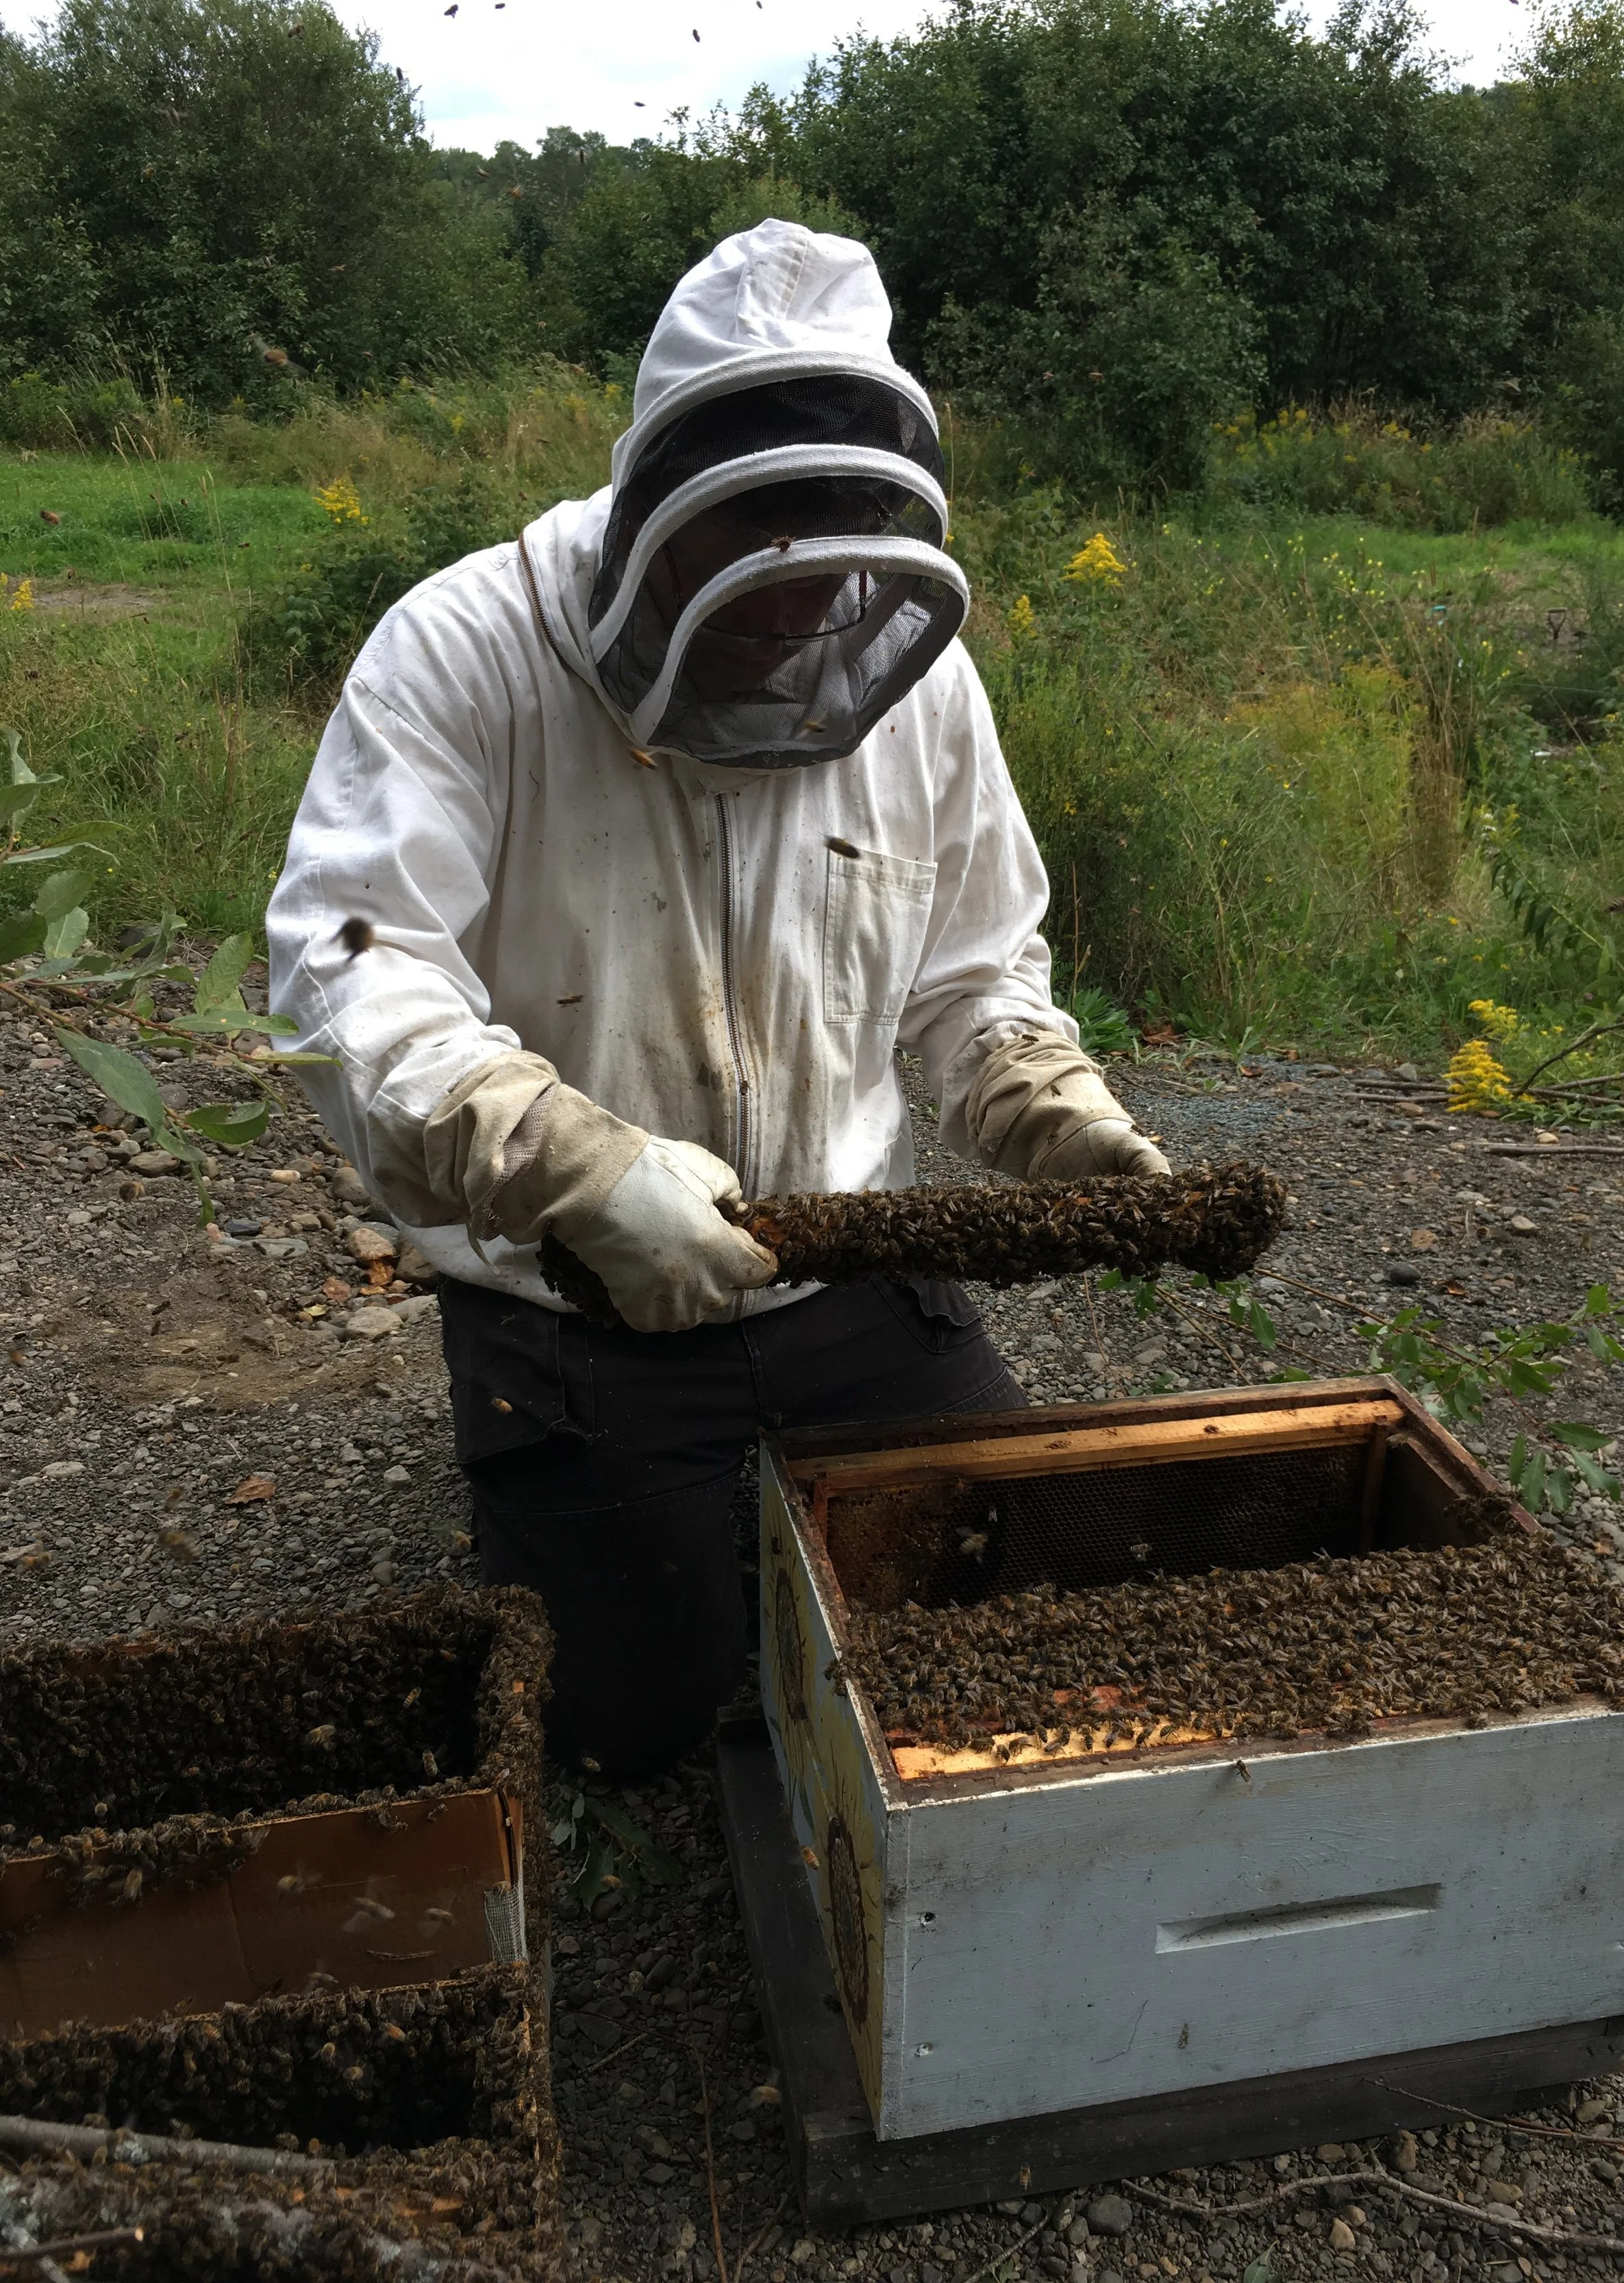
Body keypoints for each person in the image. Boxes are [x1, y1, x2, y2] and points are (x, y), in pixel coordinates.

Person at [266, 221, 1169, 1779]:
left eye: (818, 590)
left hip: (848, 1281)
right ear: (653, 522)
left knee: (1013, 1614)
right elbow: (355, 966)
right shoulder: (462, 648)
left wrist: (1033, 1089)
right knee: (650, 1729)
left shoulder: (908, 672)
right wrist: (572, 1163)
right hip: (574, 1308)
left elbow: (968, 966)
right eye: (745, 588)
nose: (786, 637)